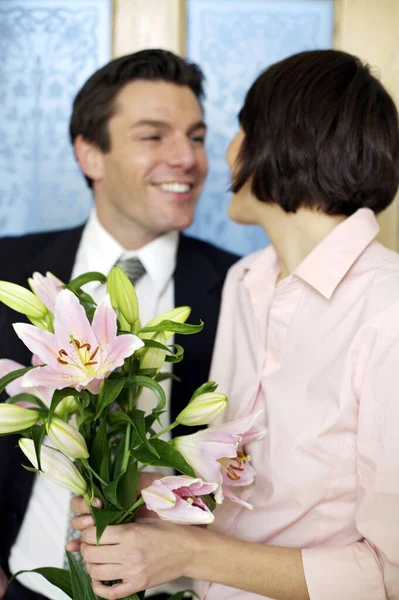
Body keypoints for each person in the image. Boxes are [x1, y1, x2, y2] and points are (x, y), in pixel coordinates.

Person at [69, 49, 399, 599]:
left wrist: (191, 552)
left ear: (279, 143)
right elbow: (237, 473)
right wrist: (146, 495)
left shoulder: (389, 310)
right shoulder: (247, 280)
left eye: (235, 130)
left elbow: (392, 574)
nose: (218, 156)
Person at [0, 49, 238, 600]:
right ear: (91, 155)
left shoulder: (238, 287)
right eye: (154, 137)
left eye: (197, 138)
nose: (187, 159)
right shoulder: (10, 271)